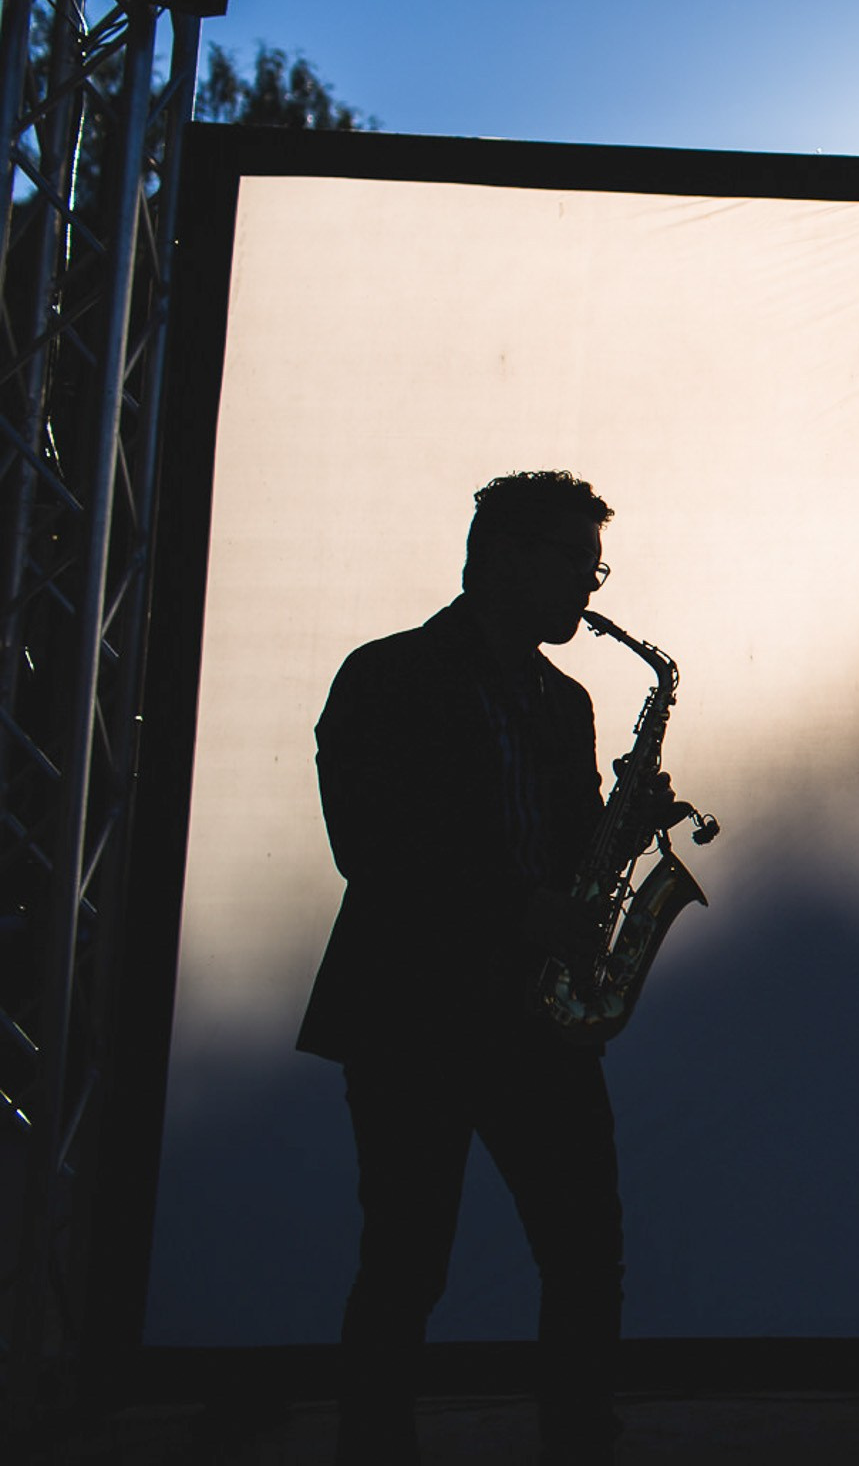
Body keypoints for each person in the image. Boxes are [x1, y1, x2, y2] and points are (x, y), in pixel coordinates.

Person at [300, 471, 677, 1466]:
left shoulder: (564, 701)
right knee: (406, 1265)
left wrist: (625, 824)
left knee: (587, 1255)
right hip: (413, 1014)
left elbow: (563, 857)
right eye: (575, 564)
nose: (589, 591)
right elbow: (372, 847)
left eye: (597, 569)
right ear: (506, 555)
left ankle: (580, 1443)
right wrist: (520, 911)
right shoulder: (386, 676)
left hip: (534, 1019)